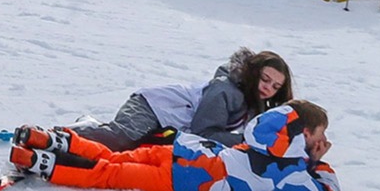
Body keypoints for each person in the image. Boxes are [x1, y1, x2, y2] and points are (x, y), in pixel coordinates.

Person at [10, 101, 340, 191]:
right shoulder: (291, 173)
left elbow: (262, 127)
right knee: (110, 173)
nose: (323, 143)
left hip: (185, 151)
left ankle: (54, 143)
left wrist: (294, 118)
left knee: (116, 161)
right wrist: (317, 161)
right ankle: (45, 163)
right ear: (307, 135)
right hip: (186, 178)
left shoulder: (263, 138)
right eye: (320, 136)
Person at [63, 49, 294, 151]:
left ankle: (88, 126)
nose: (268, 88)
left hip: (168, 124)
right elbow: (203, 133)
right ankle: (54, 138)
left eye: (275, 86)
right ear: (253, 73)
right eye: (265, 79)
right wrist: (244, 140)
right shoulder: (225, 91)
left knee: (133, 150)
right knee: (122, 139)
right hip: (151, 107)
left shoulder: (253, 102)